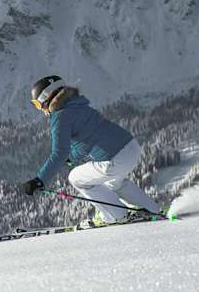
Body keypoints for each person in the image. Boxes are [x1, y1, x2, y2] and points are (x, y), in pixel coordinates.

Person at [18, 75, 161, 226]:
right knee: (115, 182)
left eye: (37, 104)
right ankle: (152, 209)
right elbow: (85, 141)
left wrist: (40, 180)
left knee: (76, 178)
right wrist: (72, 157)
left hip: (114, 159)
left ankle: (116, 216)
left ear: (46, 98)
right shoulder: (78, 105)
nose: (40, 108)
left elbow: (59, 152)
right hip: (131, 147)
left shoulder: (59, 117)